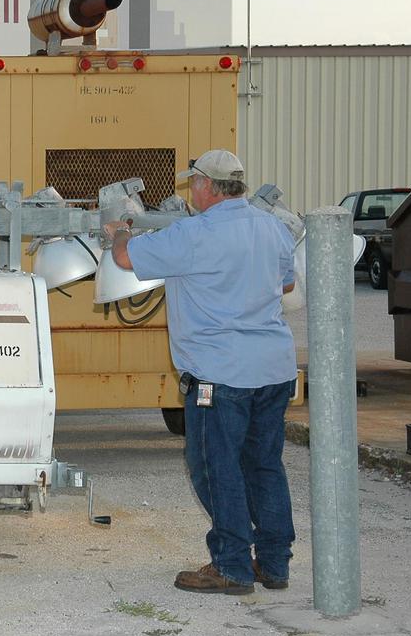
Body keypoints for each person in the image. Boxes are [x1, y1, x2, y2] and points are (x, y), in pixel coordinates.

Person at [104, 149, 297, 596]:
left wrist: (117, 232)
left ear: (206, 186)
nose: (191, 190)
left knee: (214, 468)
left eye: (193, 182)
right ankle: (273, 563)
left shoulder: (193, 233)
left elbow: (127, 259)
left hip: (220, 374)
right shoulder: (272, 228)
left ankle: (231, 565)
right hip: (273, 369)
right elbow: (285, 283)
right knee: (264, 466)